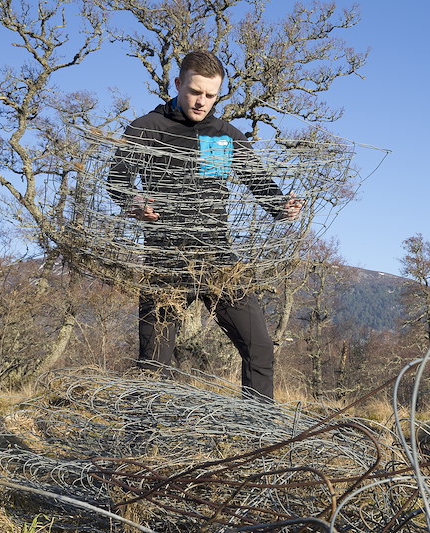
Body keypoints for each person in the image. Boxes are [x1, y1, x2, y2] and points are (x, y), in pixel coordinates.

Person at [107, 50, 302, 401]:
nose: (202, 102)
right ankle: (140, 448)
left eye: (210, 95)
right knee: (154, 366)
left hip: (219, 260)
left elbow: (259, 181)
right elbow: (117, 179)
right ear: (179, 84)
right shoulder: (147, 127)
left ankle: (256, 438)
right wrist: (134, 202)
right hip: (165, 265)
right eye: (195, 92)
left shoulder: (226, 135)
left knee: (259, 348)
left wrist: (282, 206)